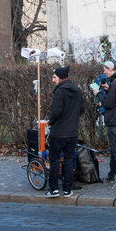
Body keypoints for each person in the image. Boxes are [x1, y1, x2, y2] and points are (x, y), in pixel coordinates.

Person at [45, 66, 84, 198]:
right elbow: (82, 109)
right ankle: (67, 189)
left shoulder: (59, 92)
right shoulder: (77, 90)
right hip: (72, 132)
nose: (52, 80)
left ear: (61, 78)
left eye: (54, 77)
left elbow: (56, 112)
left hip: (59, 132)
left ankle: (54, 189)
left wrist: (51, 122)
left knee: (54, 160)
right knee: (68, 160)